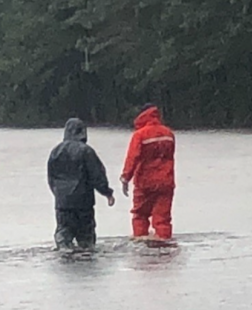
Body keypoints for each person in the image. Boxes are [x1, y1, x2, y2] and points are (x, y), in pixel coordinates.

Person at [47, 118, 115, 250]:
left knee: (63, 233)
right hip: (83, 202)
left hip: (63, 203)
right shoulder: (86, 151)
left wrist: (58, 195)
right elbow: (97, 175)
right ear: (83, 132)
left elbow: (51, 178)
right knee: (86, 238)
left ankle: (65, 254)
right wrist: (107, 193)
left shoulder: (55, 152)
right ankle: (85, 259)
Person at [119, 103, 175, 240]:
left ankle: (141, 247)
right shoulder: (169, 133)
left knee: (140, 216)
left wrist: (125, 178)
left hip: (145, 182)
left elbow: (133, 158)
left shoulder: (139, 135)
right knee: (163, 219)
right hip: (166, 182)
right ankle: (165, 247)